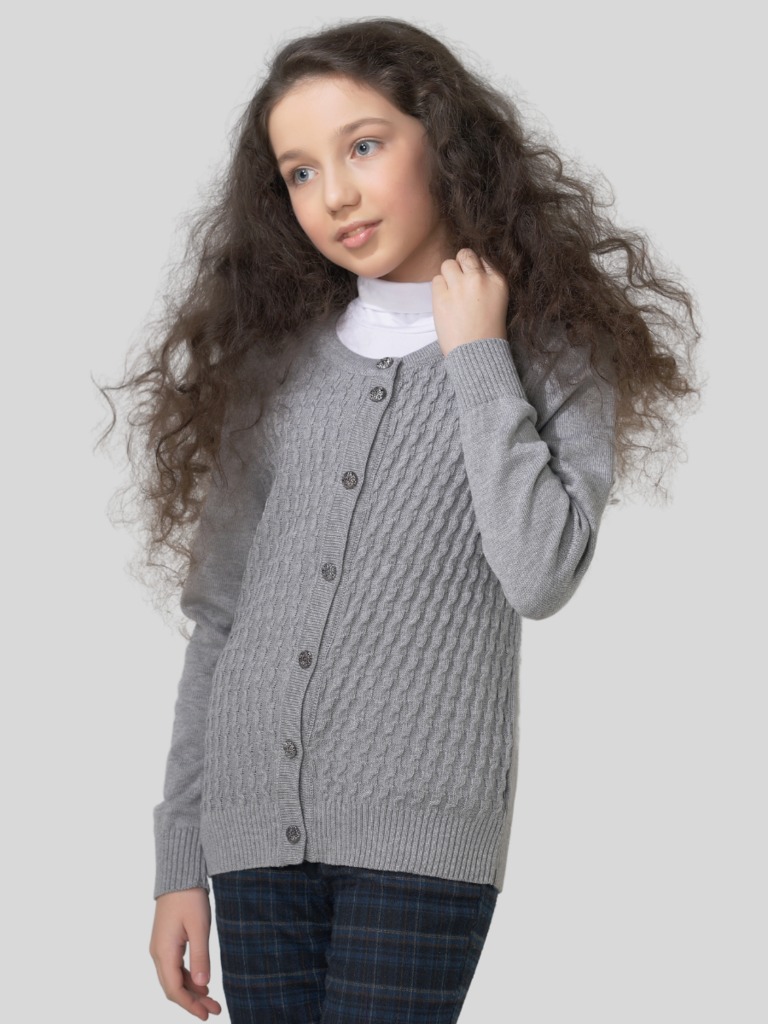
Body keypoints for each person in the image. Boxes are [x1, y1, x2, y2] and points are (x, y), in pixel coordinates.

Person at [99, 16, 701, 1023]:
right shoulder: (276, 359)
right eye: (300, 172)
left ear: (444, 140)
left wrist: (478, 357)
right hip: (249, 831)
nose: (334, 194)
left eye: (364, 146)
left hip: (419, 837)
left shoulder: (550, 345)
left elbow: (541, 572)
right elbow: (220, 619)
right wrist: (178, 859)